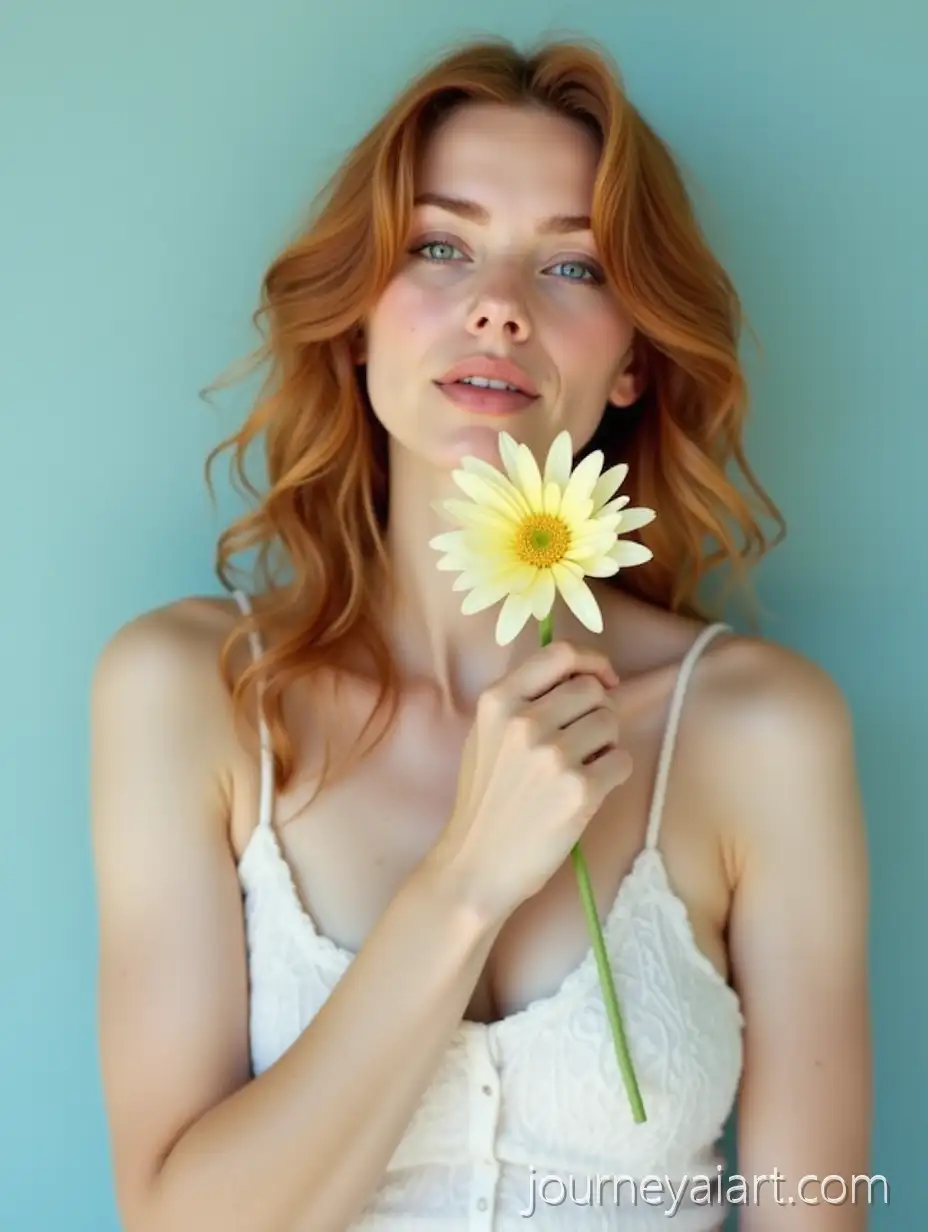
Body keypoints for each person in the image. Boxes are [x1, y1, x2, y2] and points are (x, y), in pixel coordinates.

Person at [90, 35, 872, 1232]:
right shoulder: (190, 692)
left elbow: (815, 1207)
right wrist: (464, 881)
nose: (499, 305)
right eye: (441, 246)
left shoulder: (762, 727)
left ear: (630, 362)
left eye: (572, 266)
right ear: (356, 325)